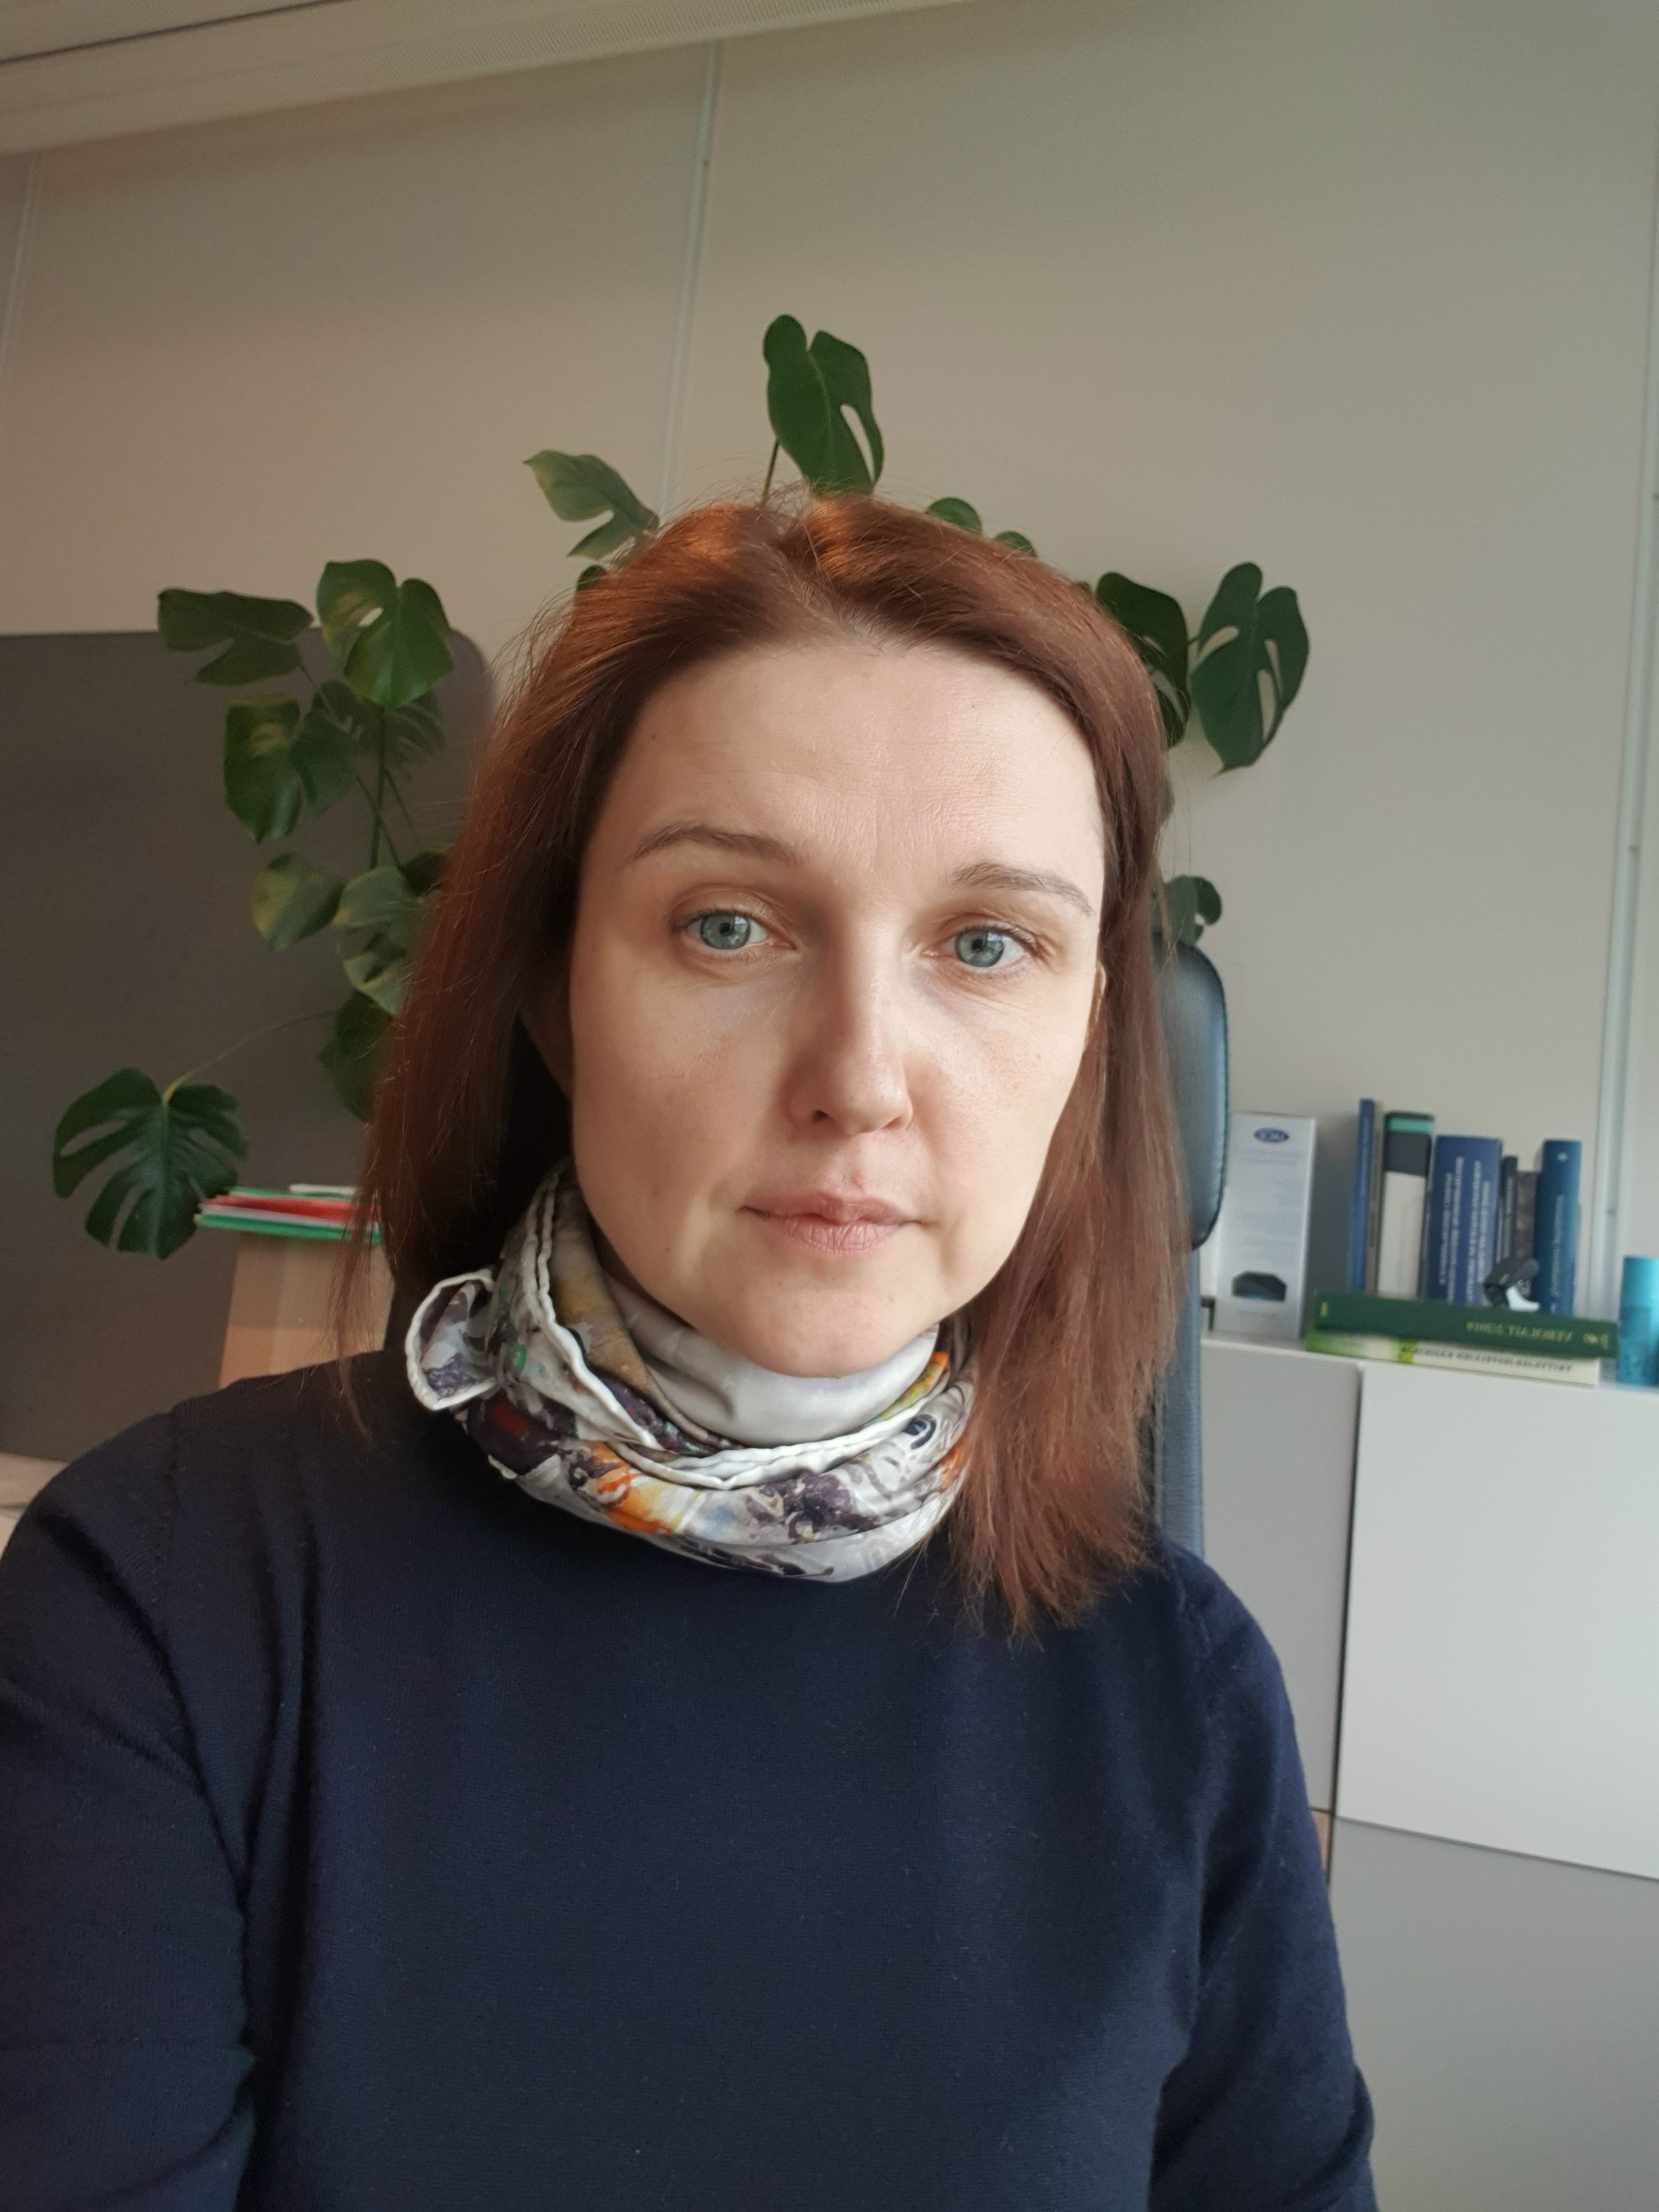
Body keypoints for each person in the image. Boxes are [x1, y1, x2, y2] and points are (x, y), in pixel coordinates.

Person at [0, 495, 1376, 2209]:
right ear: (551, 987)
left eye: (987, 944)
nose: (861, 1075)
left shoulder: (1183, 1694)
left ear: (1092, 1028)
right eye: (730, 924)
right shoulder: (169, 1594)